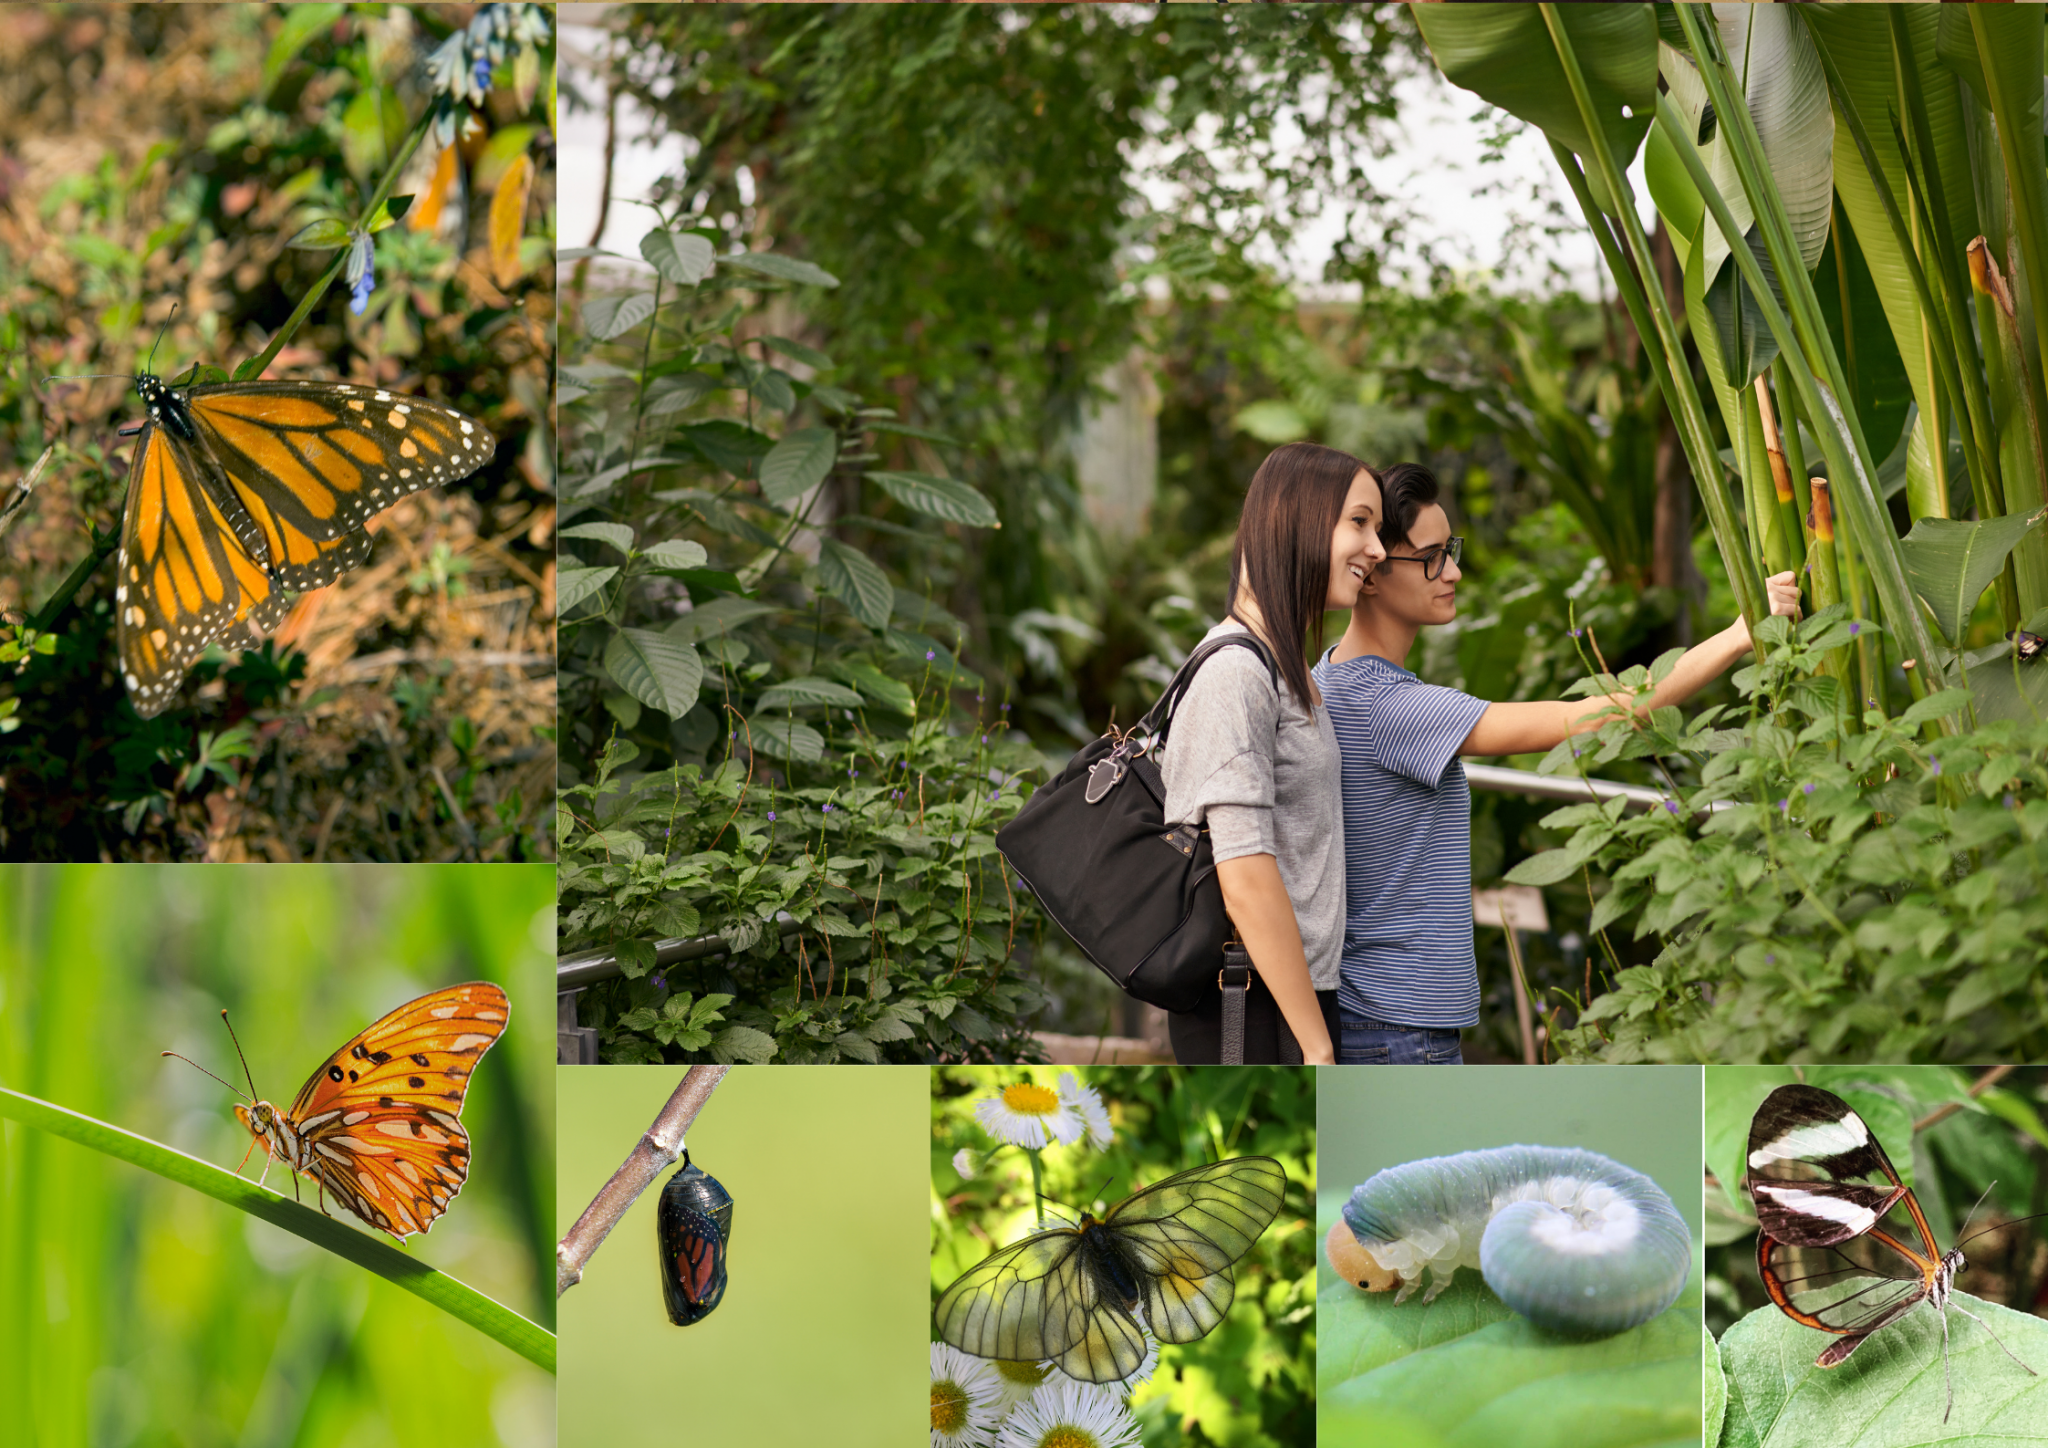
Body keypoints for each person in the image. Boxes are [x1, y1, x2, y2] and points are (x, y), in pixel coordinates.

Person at [1312, 462, 1803, 1065]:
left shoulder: (1329, 676)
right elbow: (1600, 717)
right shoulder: (1388, 704)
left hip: (1375, 1011)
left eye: (1452, 550)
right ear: (1370, 574)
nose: (1455, 572)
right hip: (1401, 1023)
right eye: (1433, 557)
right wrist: (1738, 635)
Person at [1158, 441, 1387, 1065]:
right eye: (1359, 522)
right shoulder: (1237, 673)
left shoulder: (1285, 670)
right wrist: (1316, 1046)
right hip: (1252, 1009)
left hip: (1293, 999)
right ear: (1299, 522)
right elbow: (1246, 879)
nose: (1378, 549)